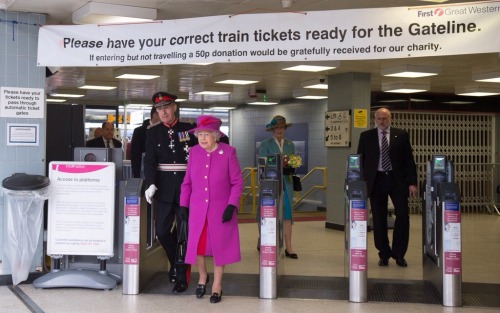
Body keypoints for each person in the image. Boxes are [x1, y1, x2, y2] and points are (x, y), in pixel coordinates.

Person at [179, 115, 243, 304]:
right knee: (198, 247)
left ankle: (217, 285)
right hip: (198, 209)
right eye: (200, 134)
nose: (202, 138)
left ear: (216, 135)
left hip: (220, 209)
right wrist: (183, 205)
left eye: (206, 134)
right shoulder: (194, 152)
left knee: (218, 248)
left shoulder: (228, 152)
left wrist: (232, 205)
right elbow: (187, 183)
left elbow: (237, 182)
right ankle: (202, 277)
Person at [143, 91, 197, 294]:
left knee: (185, 233)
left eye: (166, 107)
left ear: (174, 107)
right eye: (159, 108)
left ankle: (180, 274)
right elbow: (150, 161)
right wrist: (151, 183)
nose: (163, 111)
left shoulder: (189, 129)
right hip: (164, 188)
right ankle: (177, 262)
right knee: (162, 231)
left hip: (187, 187)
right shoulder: (153, 132)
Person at [356, 108, 417, 267]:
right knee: (379, 218)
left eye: (385, 118)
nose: (382, 121)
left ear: (390, 118)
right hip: (376, 181)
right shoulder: (366, 137)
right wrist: (360, 182)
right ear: (374, 119)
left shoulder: (401, 135)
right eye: (379, 118)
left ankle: (399, 254)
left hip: (397, 180)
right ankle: (384, 253)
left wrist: (412, 182)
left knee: (403, 216)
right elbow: (360, 161)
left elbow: (409, 160)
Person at [258, 115, 298, 259]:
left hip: (286, 184)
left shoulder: (290, 145)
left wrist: (291, 167)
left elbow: (294, 162)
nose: (279, 130)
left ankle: (289, 247)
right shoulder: (266, 144)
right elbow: (262, 163)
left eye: (282, 127)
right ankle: (264, 242)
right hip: (271, 184)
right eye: (277, 128)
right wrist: (277, 166)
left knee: (287, 216)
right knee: (269, 215)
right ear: (272, 130)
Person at [131, 107, 160, 178]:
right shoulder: (139, 131)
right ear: (155, 114)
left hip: (161, 170)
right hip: (143, 169)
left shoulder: (165, 131)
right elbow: (135, 154)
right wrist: (136, 174)